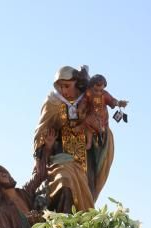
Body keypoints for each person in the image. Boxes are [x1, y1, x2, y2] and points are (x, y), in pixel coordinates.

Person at [34, 66, 108, 210]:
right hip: (61, 156)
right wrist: (40, 156)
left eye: (67, 86)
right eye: (60, 87)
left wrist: (96, 131)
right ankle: (63, 226)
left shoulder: (89, 98)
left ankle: (80, 227)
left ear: (77, 83)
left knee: (85, 193)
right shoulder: (53, 102)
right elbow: (42, 129)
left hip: (86, 158)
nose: (63, 91)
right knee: (64, 180)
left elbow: (101, 122)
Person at [83, 74, 128, 149]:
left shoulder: (104, 95)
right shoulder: (89, 93)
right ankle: (89, 143)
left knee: (93, 123)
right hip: (90, 114)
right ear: (91, 87)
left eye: (100, 90)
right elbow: (84, 101)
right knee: (86, 121)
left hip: (101, 117)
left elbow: (112, 100)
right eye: (96, 90)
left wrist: (118, 103)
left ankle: (100, 136)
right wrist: (81, 108)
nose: (98, 92)